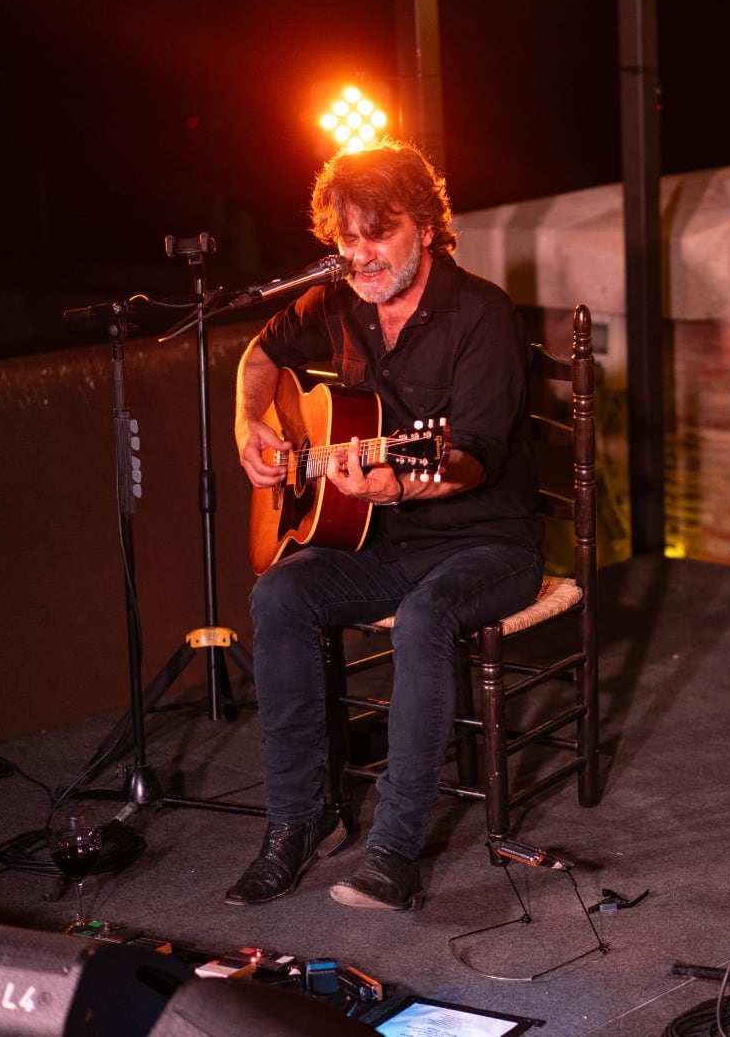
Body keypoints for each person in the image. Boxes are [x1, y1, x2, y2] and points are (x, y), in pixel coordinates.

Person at [227, 138, 542, 910]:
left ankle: (395, 853)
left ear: (426, 228)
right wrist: (250, 428)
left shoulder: (483, 315)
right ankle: (302, 821)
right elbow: (258, 357)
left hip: (489, 541)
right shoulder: (335, 302)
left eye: (380, 234)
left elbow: (470, 459)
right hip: (380, 540)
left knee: (426, 617)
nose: (361, 256)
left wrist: (399, 485)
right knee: (279, 596)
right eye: (347, 240)